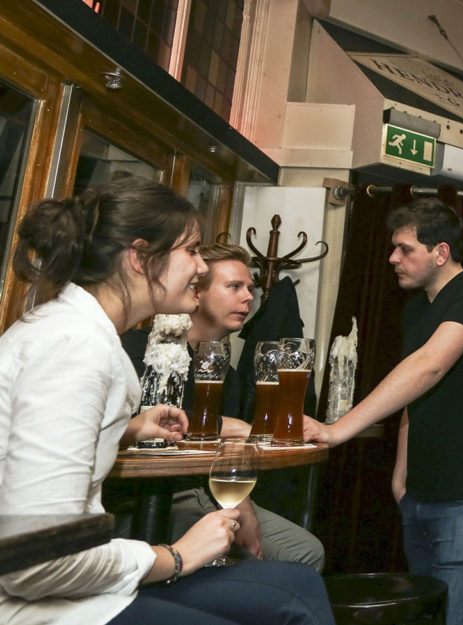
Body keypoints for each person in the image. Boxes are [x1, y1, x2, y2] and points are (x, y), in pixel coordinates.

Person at [0, 176, 332, 625]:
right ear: (140, 258)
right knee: (291, 601)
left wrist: (125, 429)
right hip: (41, 607)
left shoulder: (74, 330)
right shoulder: (77, 347)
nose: (200, 266)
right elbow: (36, 561)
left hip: (72, 588)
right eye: (191, 250)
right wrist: (177, 555)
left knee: (299, 584)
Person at [303, 198, 463, 625]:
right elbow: (415, 394)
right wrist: (401, 477)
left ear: (441, 252)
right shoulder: (415, 310)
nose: (392, 258)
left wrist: (337, 430)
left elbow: (430, 365)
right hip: (421, 498)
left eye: (405, 249)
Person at [116, 243, 325, 571]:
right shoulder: (141, 347)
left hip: (207, 489)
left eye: (249, 289)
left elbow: (228, 453)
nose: (248, 298)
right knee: (280, 560)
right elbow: (140, 422)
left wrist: (244, 507)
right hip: (144, 495)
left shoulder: (228, 374)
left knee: (308, 550)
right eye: (234, 287)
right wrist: (233, 426)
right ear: (196, 292)